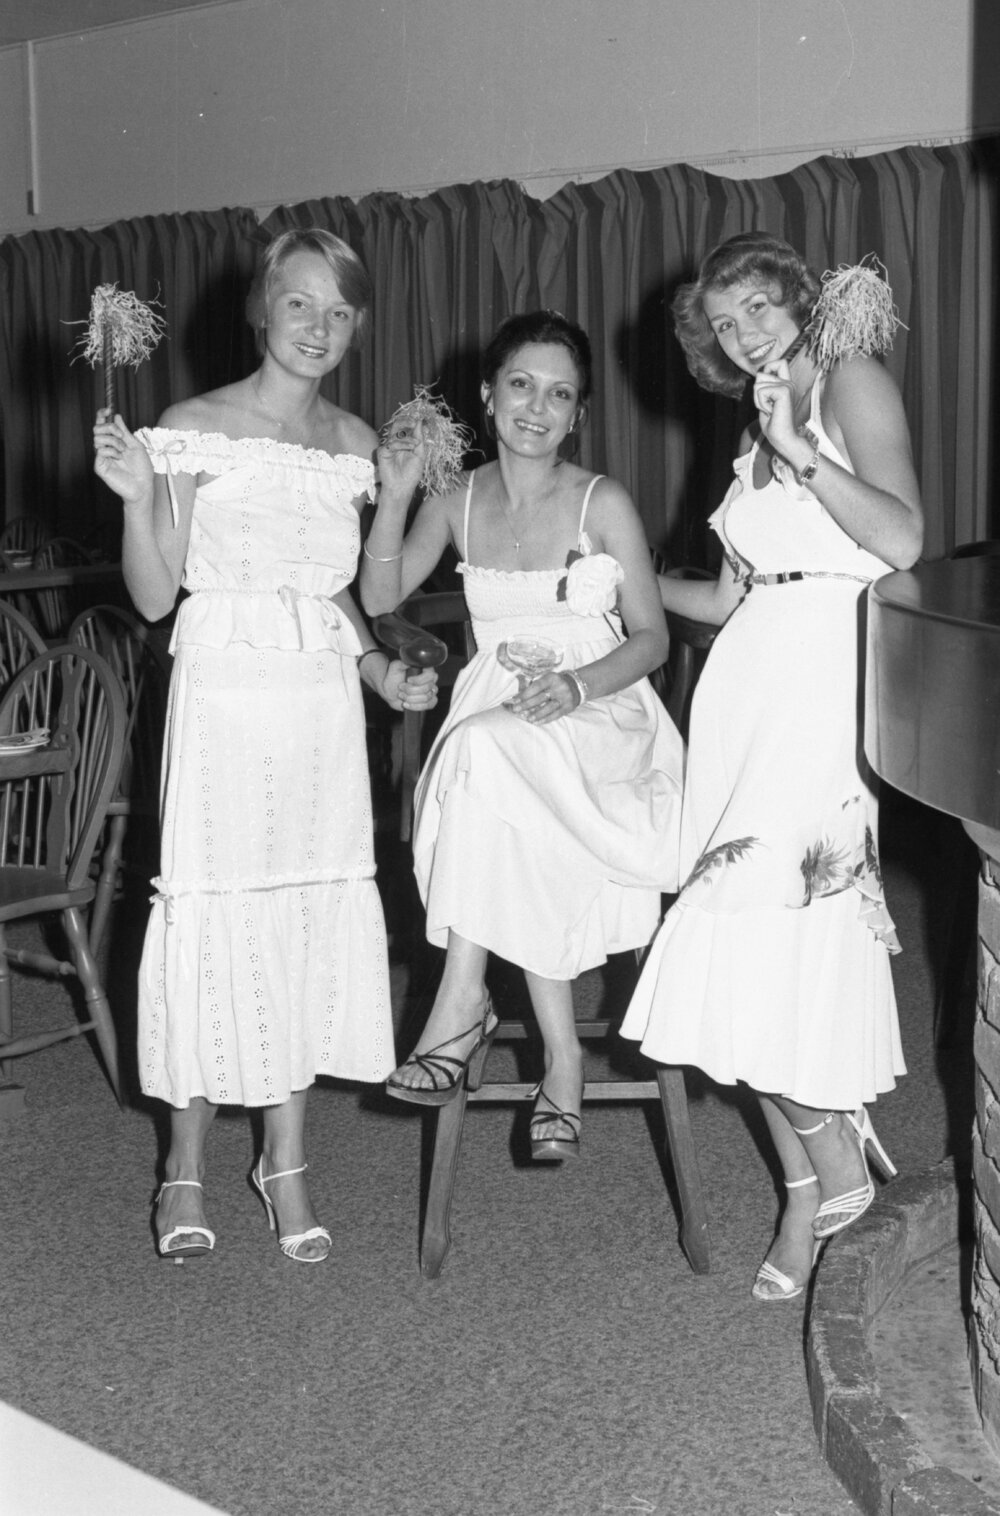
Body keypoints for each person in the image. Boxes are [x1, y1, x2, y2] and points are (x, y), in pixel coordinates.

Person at [93, 227, 437, 1264]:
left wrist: (375, 668)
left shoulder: (354, 443)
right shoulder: (191, 427)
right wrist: (135, 501)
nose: (319, 328)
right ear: (260, 309)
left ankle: (284, 1162)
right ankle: (185, 1164)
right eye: (300, 303)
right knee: (216, 914)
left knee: (300, 919)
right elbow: (155, 594)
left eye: (340, 311)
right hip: (223, 700)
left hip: (318, 709)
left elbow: (341, 593)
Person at [620, 231, 924, 1299]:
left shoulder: (847, 379)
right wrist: (619, 577)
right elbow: (730, 597)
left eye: (757, 306)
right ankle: (809, 1187)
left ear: (797, 299)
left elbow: (902, 539)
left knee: (740, 918)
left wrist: (804, 453)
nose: (744, 332)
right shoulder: (752, 430)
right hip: (743, 693)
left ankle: (832, 1160)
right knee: (751, 944)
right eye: (724, 321)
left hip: (822, 683)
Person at [361, 310, 683, 1158]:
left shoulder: (601, 500)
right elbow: (380, 598)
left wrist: (576, 684)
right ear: (487, 394)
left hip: (599, 709)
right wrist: (396, 496)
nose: (537, 408)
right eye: (520, 385)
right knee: (496, 769)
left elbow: (652, 639)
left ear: (578, 414)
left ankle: (459, 1002)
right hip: (500, 715)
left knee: (482, 754)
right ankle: (561, 1057)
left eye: (560, 394)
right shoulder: (457, 499)